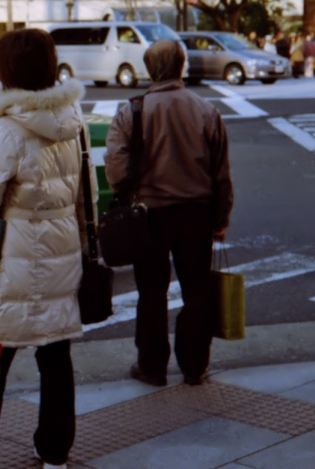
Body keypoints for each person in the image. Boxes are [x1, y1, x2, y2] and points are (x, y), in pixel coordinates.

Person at [0, 29, 92, 469]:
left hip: (13, 264)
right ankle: (55, 450)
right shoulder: (72, 120)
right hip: (62, 252)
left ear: (6, 71)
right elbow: (82, 195)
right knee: (56, 357)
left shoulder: (7, 128)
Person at [105, 39, 233, 387]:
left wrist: (127, 192)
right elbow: (221, 173)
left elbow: (115, 167)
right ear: (181, 66)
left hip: (149, 214)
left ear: (149, 70)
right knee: (197, 290)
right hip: (196, 212)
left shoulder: (132, 111)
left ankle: (152, 366)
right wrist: (221, 218)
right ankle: (194, 365)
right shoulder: (206, 110)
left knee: (151, 290)